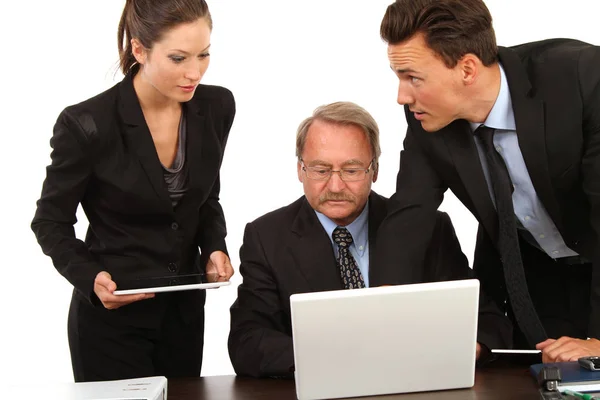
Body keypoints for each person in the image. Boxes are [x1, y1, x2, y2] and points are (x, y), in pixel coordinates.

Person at [375, 0, 600, 363]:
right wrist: (379, 309)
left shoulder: (582, 78)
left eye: (413, 77)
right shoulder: (425, 115)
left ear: (466, 69)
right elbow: (409, 212)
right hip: (533, 279)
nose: (402, 95)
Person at [227, 101, 511, 378]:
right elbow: (247, 341)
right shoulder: (266, 236)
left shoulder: (428, 228)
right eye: (321, 170)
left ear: (374, 170)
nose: (335, 186)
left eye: (351, 170)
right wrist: (330, 359)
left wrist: (468, 349)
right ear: (301, 169)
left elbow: (487, 321)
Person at [31, 0, 235, 382]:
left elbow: (205, 198)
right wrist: (90, 277)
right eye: (178, 58)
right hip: (111, 323)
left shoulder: (217, 105)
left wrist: (214, 247)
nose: (195, 72)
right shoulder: (86, 124)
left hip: (184, 316)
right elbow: (49, 222)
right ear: (139, 50)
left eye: (204, 54)